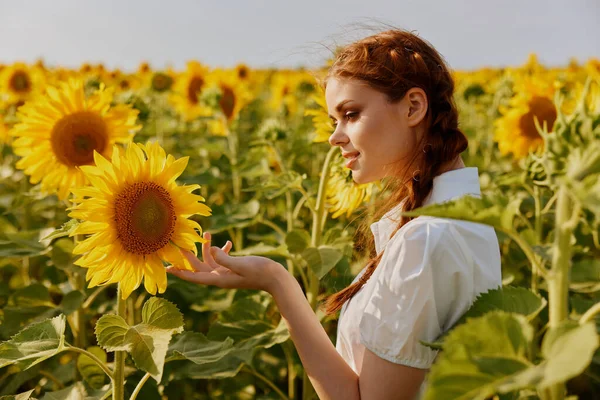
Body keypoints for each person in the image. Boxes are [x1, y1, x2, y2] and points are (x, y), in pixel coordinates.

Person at [166, 28, 502, 400]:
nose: (335, 137)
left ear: (413, 107)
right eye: (333, 121)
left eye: (351, 114)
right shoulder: (466, 220)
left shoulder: (424, 240)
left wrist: (278, 283)